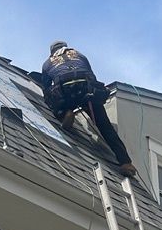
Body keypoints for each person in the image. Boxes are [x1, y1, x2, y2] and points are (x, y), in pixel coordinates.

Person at [41, 41, 137, 177]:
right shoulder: (79, 55)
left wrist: (55, 104)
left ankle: (64, 113)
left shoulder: (47, 63)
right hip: (87, 91)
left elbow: (45, 87)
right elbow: (91, 75)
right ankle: (126, 163)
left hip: (66, 92)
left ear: (52, 52)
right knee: (105, 127)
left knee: (51, 95)